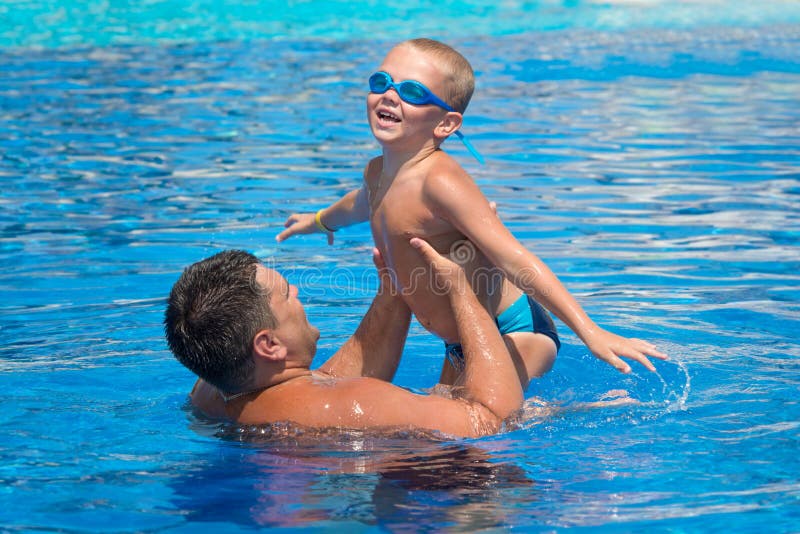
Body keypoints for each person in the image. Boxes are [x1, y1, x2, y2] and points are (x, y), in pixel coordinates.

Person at [276, 38, 666, 387]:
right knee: (444, 424)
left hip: (512, 328)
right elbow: (360, 203)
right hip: (460, 337)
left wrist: (591, 332)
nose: (391, 96)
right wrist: (317, 221)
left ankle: (588, 409)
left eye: (412, 92)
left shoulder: (440, 181)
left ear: (446, 123)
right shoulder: (378, 172)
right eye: (381, 83)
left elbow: (514, 257)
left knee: (474, 428)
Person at [164, 238, 524, 438]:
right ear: (268, 345)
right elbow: (493, 421)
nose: (295, 289)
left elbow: (319, 386)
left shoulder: (211, 389)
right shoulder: (359, 408)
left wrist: (395, 287)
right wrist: (464, 292)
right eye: (284, 294)